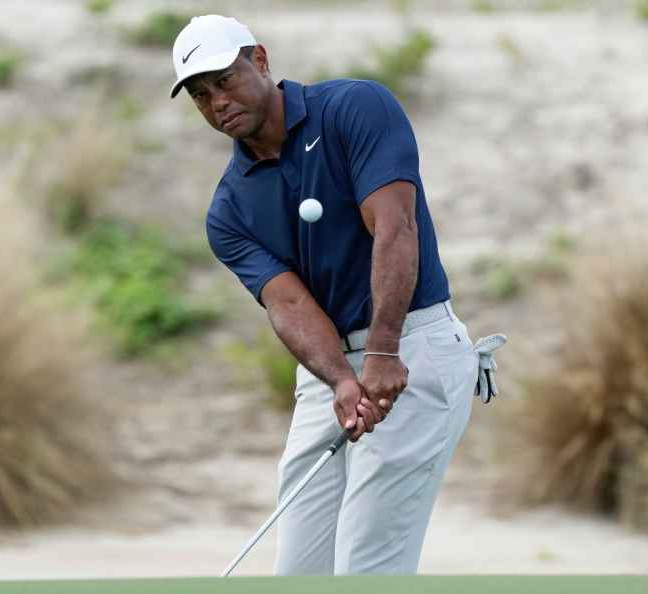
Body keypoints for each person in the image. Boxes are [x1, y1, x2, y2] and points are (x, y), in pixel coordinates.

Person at [170, 15, 482, 575]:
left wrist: (383, 351)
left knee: (367, 567)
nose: (217, 102)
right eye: (200, 95)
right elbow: (288, 304)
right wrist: (341, 378)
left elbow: (394, 228)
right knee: (299, 574)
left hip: (412, 345)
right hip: (326, 371)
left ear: (260, 60)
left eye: (225, 80)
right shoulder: (228, 211)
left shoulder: (354, 108)